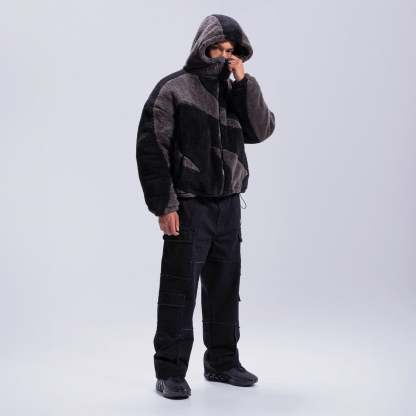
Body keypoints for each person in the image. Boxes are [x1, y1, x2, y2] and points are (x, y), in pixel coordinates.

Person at [136, 13, 276, 399]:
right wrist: (165, 205)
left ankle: (222, 363)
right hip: (189, 206)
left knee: (225, 288)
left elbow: (261, 130)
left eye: (232, 51)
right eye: (218, 49)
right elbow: (152, 150)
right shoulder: (174, 89)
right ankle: (169, 371)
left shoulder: (234, 91)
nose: (225, 57)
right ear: (202, 46)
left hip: (229, 205)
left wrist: (244, 82)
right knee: (179, 290)